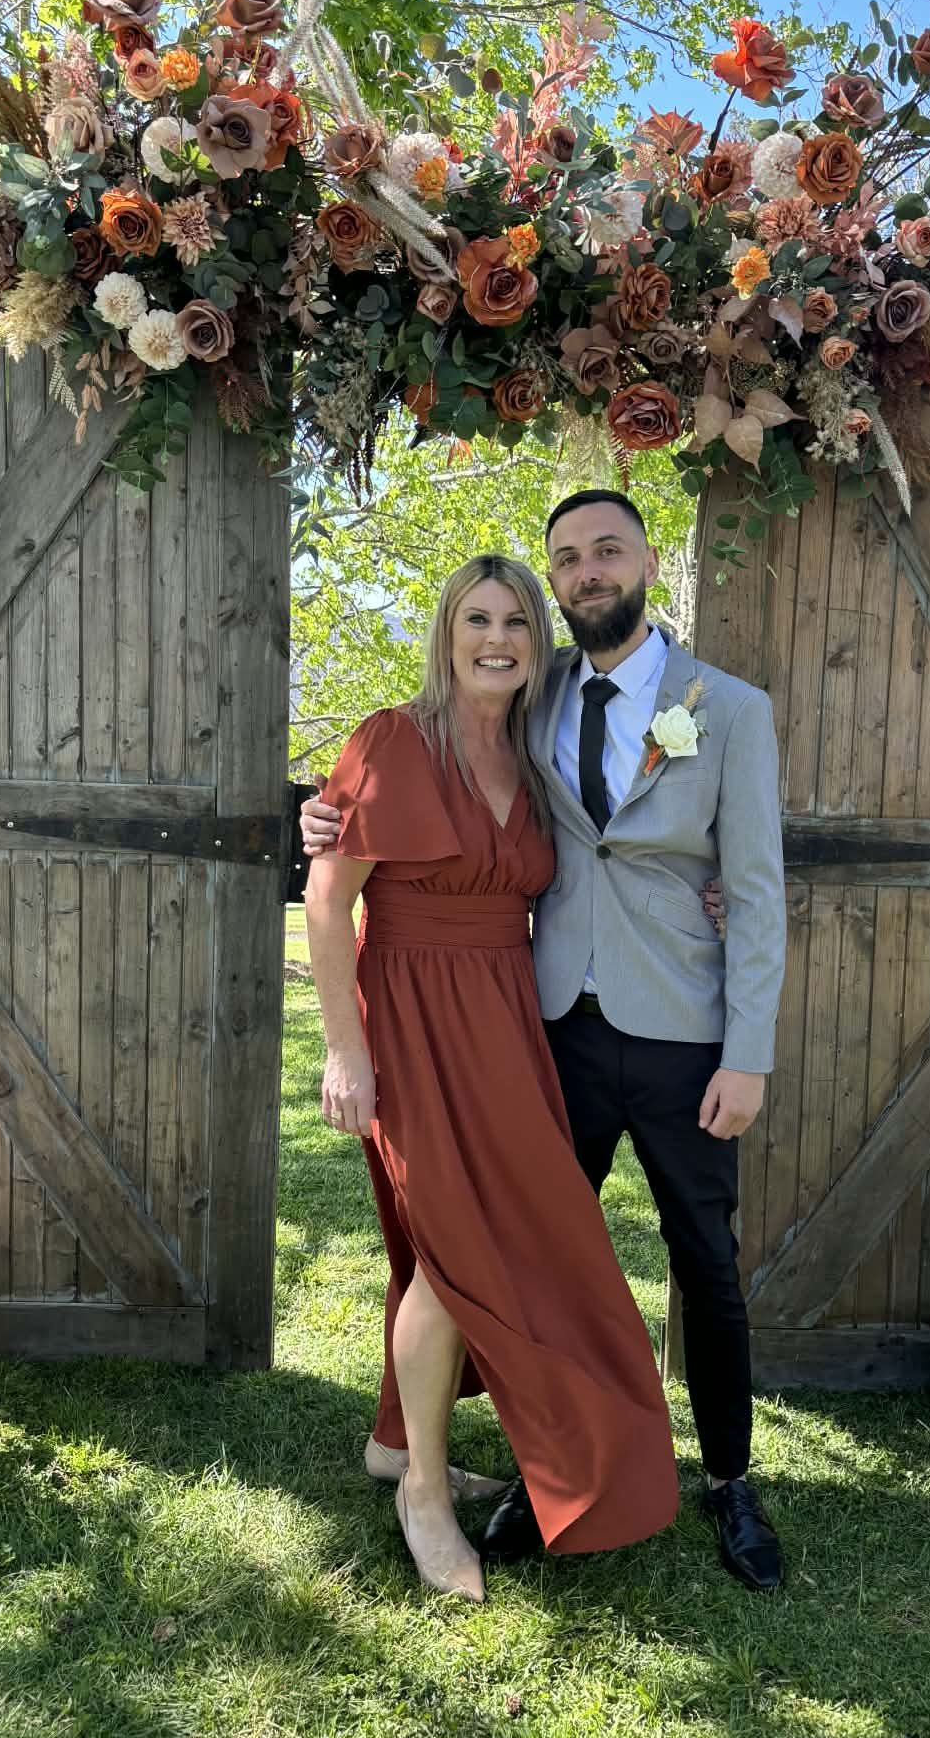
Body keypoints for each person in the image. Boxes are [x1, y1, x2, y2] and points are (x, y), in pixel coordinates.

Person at [305, 490, 789, 1591]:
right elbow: (358, 848)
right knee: (495, 1246)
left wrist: (747, 1049)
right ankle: (495, 1464)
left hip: (671, 1030)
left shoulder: (727, 709)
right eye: (565, 558)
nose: (583, 574)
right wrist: (323, 820)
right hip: (537, 1024)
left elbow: (755, 890)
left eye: (605, 550)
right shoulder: (525, 696)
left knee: (701, 1258)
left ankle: (728, 1478)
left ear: (648, 563)